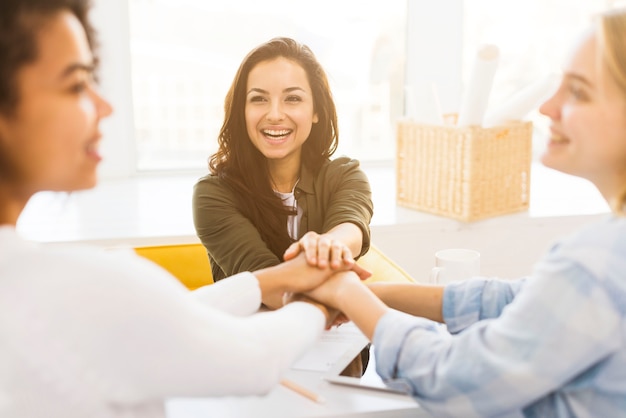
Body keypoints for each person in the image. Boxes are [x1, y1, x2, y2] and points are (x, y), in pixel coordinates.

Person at [0, 1, 366, 416]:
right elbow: (251, 358)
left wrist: (276, 280)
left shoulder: (47, 284)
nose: (104, 107)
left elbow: (171, 314)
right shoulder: (82, 281)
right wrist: (329, 298)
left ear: (317, 112)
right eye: (76, 85)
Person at [293, 8, 626, 418]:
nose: (546, 108)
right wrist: (372, 295)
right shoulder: (603, 257)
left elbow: (451, 378)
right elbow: (518, 300)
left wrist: (346, 291)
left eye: (578, 92)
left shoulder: (597, 261)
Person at [192, 37, 374, 309]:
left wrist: (327, 246)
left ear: (316, 111)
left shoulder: (346, 176)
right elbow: (270, 285)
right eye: (258, 99)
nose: (275, 114)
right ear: (242, 110)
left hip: (337, 347)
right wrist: (338, 280)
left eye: (292, 98)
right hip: (254, 347)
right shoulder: (213, 194)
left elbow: (349, 234)